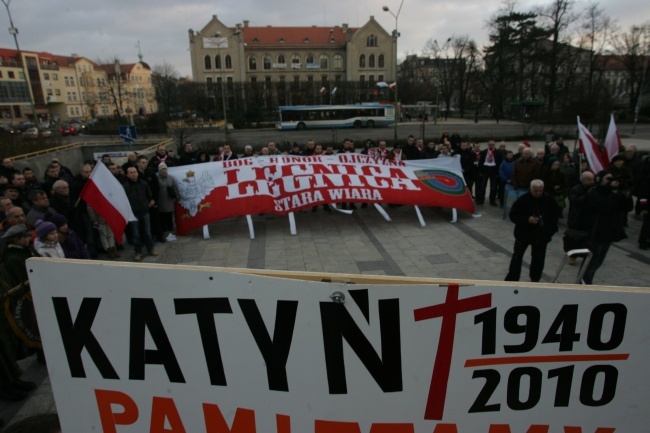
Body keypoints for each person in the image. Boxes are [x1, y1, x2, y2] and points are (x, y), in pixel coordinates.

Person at [580, 171, 633, 285]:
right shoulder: (594, 192)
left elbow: (627, 207)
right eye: (608, 179)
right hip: (596, 233)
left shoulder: (613, 193)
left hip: (609, 233)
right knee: (590, 263)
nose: (611, 181)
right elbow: (603, 207)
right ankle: (583, 283)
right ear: (600, 179)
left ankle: (588, 282)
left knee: (598, 262)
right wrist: (613, 193)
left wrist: (626, 195)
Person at [505, 179, 560, 282]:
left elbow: (554, 218)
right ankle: (512, 279)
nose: (538, 193)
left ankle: (535, 280)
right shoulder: (523, 200)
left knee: (538, 260)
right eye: (536, 191)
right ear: (531, 189)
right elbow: (513, 215)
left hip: (541, 236)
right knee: (517, 257)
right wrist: (527, 219)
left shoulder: (549, 200)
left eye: (540, 190)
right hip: (523, 234)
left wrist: (549, 232)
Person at [123, 167, 158, 261]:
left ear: (137, 173)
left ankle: (150, 249)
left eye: (135, 172)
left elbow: (149, 195)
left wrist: (150, 202)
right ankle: (138, 252)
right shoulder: (125, 186)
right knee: (136, 234)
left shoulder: (144, 183)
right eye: (131, 172)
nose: (133, 174)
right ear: (127, 174)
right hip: (133, 214)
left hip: (144, 211)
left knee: (147, 232)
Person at [156, 163, 179, 242]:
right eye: (162, 169)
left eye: (165, 169)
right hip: (160, 201)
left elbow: (175, 187)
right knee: (162, 217)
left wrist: (177, 196)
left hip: (169, 200)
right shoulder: (156, 178)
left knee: (169, 217)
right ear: (159, 170)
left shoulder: (170, 178)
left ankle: (170, 232)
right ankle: (163, 232)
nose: (164, 170)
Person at [477, 140, 503, 206]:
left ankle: (492, 200)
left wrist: (498, 173)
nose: (491, 146)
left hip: (494, 172)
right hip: (485, 171)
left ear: (494, 145)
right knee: (483, 186)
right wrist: (480, 171)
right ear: (488, 145)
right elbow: (480, 162)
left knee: (493, 187)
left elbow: (500, 164)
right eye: (490, 144)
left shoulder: (498, 152)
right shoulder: (484, 152)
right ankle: (481, 199)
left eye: (492, 144)